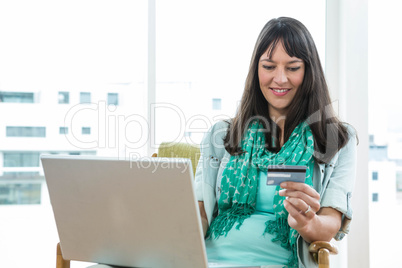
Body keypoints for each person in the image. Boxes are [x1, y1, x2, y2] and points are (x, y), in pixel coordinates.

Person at [194, 17, 357, 268]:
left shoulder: (336, 139)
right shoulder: (222, 135)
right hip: (210, 262)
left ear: (309, 70)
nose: (280, 79)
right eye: (269, 66)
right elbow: (200, 214)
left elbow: (329, 226)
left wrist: (307, 223)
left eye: (292, 68)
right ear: (256, 70)